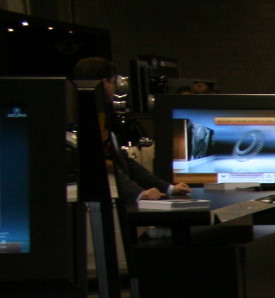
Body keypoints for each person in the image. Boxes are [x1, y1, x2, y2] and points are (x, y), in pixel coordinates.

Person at [72, 56, 190, 200]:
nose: (115, 89)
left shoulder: (95, 116)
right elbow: (100, 166)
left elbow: (123, 161)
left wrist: (168, 188)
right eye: (113, 82)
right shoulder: (88, 122)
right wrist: (138, 194)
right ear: (104, 83)